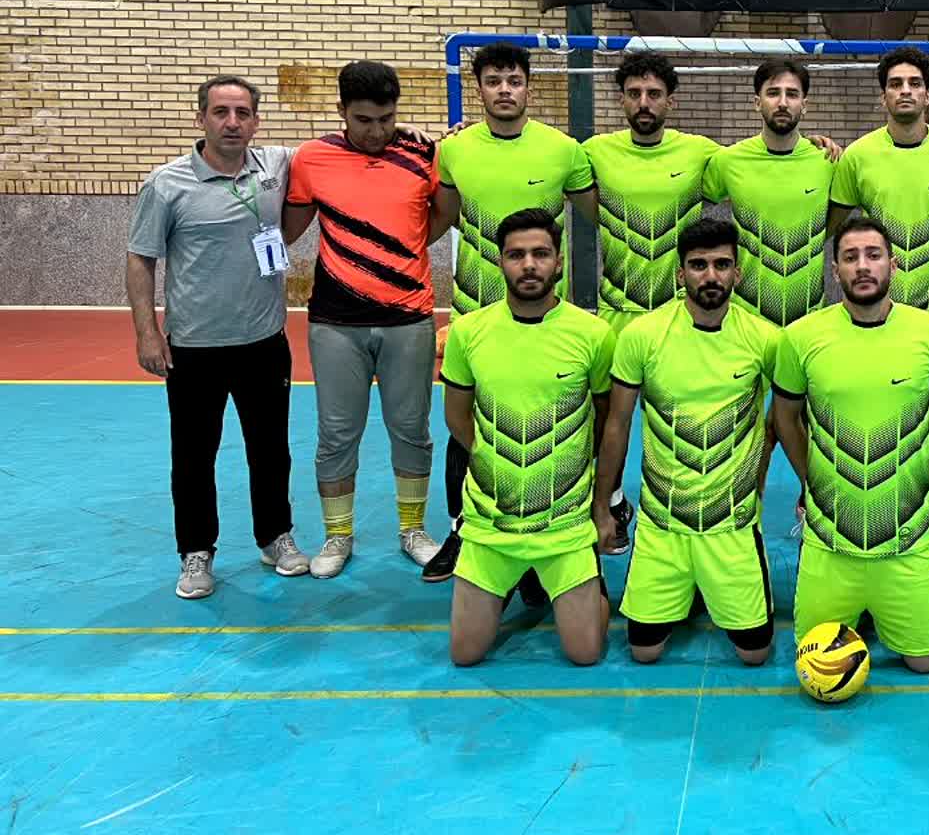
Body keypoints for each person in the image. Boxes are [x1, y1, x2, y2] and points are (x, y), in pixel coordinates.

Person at [423, 42, 599, 587]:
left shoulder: (563, 151)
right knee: (468, 426)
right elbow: (438, 219)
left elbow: (605, 215)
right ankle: (463, 530)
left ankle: (564, 529)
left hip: (546, 318)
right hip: (475, 315)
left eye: (514, 80)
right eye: (494, 81)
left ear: (528, 86)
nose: (504, 90)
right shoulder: (454, 150)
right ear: (478, 88)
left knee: (557, 426)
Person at [126, 75, 309, 600]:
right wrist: (147, 333)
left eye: (242, 113)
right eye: (221, 112)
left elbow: (339, 148)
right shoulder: (166, 184)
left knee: (270, 450)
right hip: (193, 348)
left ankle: (275, 536)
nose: (232, 123)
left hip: (264, 342)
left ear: (256, 121)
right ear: (200, 118)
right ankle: (196, 551)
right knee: (192, 456)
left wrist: (416, 134)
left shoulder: (275, 165)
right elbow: (140, 259)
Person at [282, 60, 456, 579]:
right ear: (341, 111)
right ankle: (337, 536)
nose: (376, 131)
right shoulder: (312, 158)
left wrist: (399, 252)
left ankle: (413, 530)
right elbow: (286, 231)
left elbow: (441, 216)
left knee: (412, 430)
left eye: (386, 119)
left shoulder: (424, 154)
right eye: (363, 120)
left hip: (410, 320)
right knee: (337, 434)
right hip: (336, 323)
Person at [772, 216, 929, 674]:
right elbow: (785, 418)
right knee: (814, 662)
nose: (863, 266)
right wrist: (810, 477)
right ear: (835, 270)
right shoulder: (801, 337)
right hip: (829, 541)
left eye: (873, 255)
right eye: (851, 257)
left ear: (892, 265)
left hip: (907, 539)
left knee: (928, 662)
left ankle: (880, 607)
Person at [595, 218, 781, 665]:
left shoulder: (765, 339)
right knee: (643, 652)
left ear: (738, 273)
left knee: (755, 655)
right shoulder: (642, 337)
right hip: (663, 526)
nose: (710, 275)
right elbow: (617, 424)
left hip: (732, 527)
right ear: (680, 274)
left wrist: (759, 469)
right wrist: (602, 505)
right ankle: (690, 585)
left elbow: (786, 416)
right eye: (698, 265)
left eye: (722, 265)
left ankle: (706, 585)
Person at [440, 208, 619, 666]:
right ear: (500, 262)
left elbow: (605, 420)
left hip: (565, 526)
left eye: (541, 254)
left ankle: (587, 582)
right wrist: (496, 463)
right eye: (516, 255)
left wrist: (600, 506)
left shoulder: (594, 334)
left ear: (559, 261)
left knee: (585, 653)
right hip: (490, 524)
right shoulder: (468, 332)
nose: (529, 265)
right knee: (464, 654)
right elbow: (457, 416)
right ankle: (518, 578)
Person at [828, 46, 929, 322]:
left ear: (928, 96)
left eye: (914, 83)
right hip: (874, 310)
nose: (905, 90)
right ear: (883, 98)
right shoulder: (857, 156)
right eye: (895, 84)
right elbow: (826, 228)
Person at [581, 51, 722, 336]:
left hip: (681, 311)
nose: (643, 103)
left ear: (670, 101)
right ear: (621, 99)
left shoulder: (700, 150)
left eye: (654, 94)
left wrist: (809, 146)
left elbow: (759, 161)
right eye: (634, 93)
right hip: (616, 310)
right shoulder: (594, 150)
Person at [700, 57, 835, 328]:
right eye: (773, 93)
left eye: (792, 94)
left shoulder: (827, 161)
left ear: (804, 105)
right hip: (744, 319)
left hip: (809, 320)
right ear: (757, 102)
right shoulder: (729, 160)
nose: (782, 102)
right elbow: (688, 208)